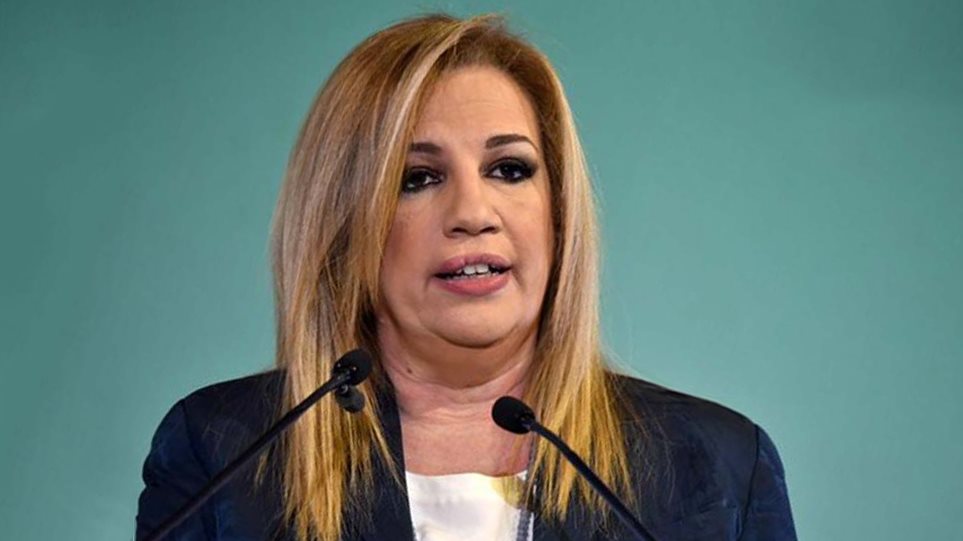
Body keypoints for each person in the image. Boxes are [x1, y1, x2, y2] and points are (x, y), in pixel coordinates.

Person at [136, 12, 796, 541]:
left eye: (509, 169)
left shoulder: (718, 465)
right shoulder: (224, 455)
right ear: (343, 225)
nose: (473, 213)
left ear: (558, 211)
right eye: (417, 178)